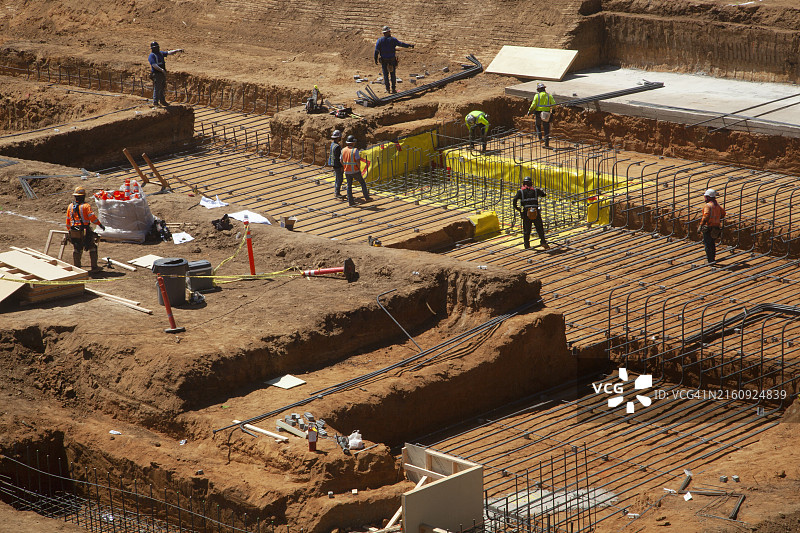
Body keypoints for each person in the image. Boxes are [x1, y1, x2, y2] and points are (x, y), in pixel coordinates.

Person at [66, 186, 105, 272]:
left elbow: (68, 220)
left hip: (74, 230)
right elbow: (92, 217)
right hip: (84, 230)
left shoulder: (70, 206)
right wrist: (100, 224)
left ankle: (77, 267)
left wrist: (69, 230)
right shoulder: (86, 206)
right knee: (92, 247)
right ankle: (94, 267)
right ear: (83, 196)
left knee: (77, 248)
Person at [374, 26, 414, 94]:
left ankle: (387, 89)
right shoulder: (393, 40)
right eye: (389, 31)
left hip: (384, 61)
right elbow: (401, 44)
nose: (390, 33)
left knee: (386, 75)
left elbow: (376, 51)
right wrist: (409, 45)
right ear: (387, 32)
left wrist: (375, 58)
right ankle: (393, 89)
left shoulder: (380, 40)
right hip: (392, 60)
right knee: (393, 75)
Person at [513, 176, 549, 250]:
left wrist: (518, 209)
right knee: (539, 228)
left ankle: (527, 245)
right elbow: (544, 194)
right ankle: (543, 241)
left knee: (527, 229)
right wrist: (542, 190)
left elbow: (514, 200)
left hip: (526, 212)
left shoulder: (521, 191)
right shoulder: (536, 190)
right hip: (535, 211)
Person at [148, 41, 183, 107]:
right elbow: (154, 65)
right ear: (152, 48)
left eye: (158, 47)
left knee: (162, 87)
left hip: (162, 73)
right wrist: (161, 70)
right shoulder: (152, 55)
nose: (157, 48)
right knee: (157, 88)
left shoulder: (160, 53)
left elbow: (169, 53)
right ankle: (155, 102)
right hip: (157, 74)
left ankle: (162, 101)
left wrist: (177, 50)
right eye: (156, 47)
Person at [341, 135, 371, 206]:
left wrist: (345, 166)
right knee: (362, 183)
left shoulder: (343, 150)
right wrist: (358, 168)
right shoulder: (355, 150)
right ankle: (367, 197)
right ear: (353, 143)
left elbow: (341, 160)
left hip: (347, 171)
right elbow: (357, 161)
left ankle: (350, 202)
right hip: (355, 171)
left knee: (349, 186)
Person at [699, 188, 726, 265]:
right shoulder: (717, 206)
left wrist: (701, 225)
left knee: (708, 244)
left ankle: (709, 260)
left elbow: (706, 216)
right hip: (716, 227)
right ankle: (712, 259)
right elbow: (723, 213)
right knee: (712, 244)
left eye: (705, 197)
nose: (704, 198)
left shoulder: (708, 206)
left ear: (708, 197)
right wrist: (717, 219)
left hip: (709, 227)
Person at [526, 83, 556, 147]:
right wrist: (553, 110)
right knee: (546, 128)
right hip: (546, 113)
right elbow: (553, 104)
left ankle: (540, 138)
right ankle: (546, 144)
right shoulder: (549, 96)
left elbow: (533, 105)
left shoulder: (537, 96)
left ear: (538, 89)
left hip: (538, 113)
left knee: (538, 125)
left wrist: (529, 111)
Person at [329, 130, 345, 199]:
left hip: (333, 164)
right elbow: (339, 158)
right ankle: (337, 193)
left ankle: (336, 191)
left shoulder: (332, 145)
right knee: (340, 179)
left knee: (337, 178)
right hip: (337, 165)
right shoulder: (337, 147)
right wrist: (342, 166)